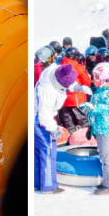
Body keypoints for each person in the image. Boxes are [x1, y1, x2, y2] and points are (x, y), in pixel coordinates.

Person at [34, 61, 81, 194]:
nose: (67, 87)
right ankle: (49, 186)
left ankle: (37, 182)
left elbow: (68, 79)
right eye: (65, 86)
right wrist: (53, 128)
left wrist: (77, 87)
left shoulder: (57, 71)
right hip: (40, 121)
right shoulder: (47, 90)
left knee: (38, 151)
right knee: (49, 152)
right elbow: (44, 114)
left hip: (39, 117)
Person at [80, 62, 109, 196]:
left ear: (106, 78)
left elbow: (108, 108)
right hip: (99, 126)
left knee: (106, 156)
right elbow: (96, 106)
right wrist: (90, 119)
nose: (94, 80)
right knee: (106, 154)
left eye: (97, 77)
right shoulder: (101, 90)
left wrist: (94, 108)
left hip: (106, 128)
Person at [57, 48, 92, 132]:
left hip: (64, 100)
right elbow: (86, 82)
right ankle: (85, 140)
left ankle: (71, 141)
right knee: (83, 121)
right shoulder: (78, 67)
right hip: (77, 99)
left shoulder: (58, 67)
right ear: (75, 57)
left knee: (69, 123)